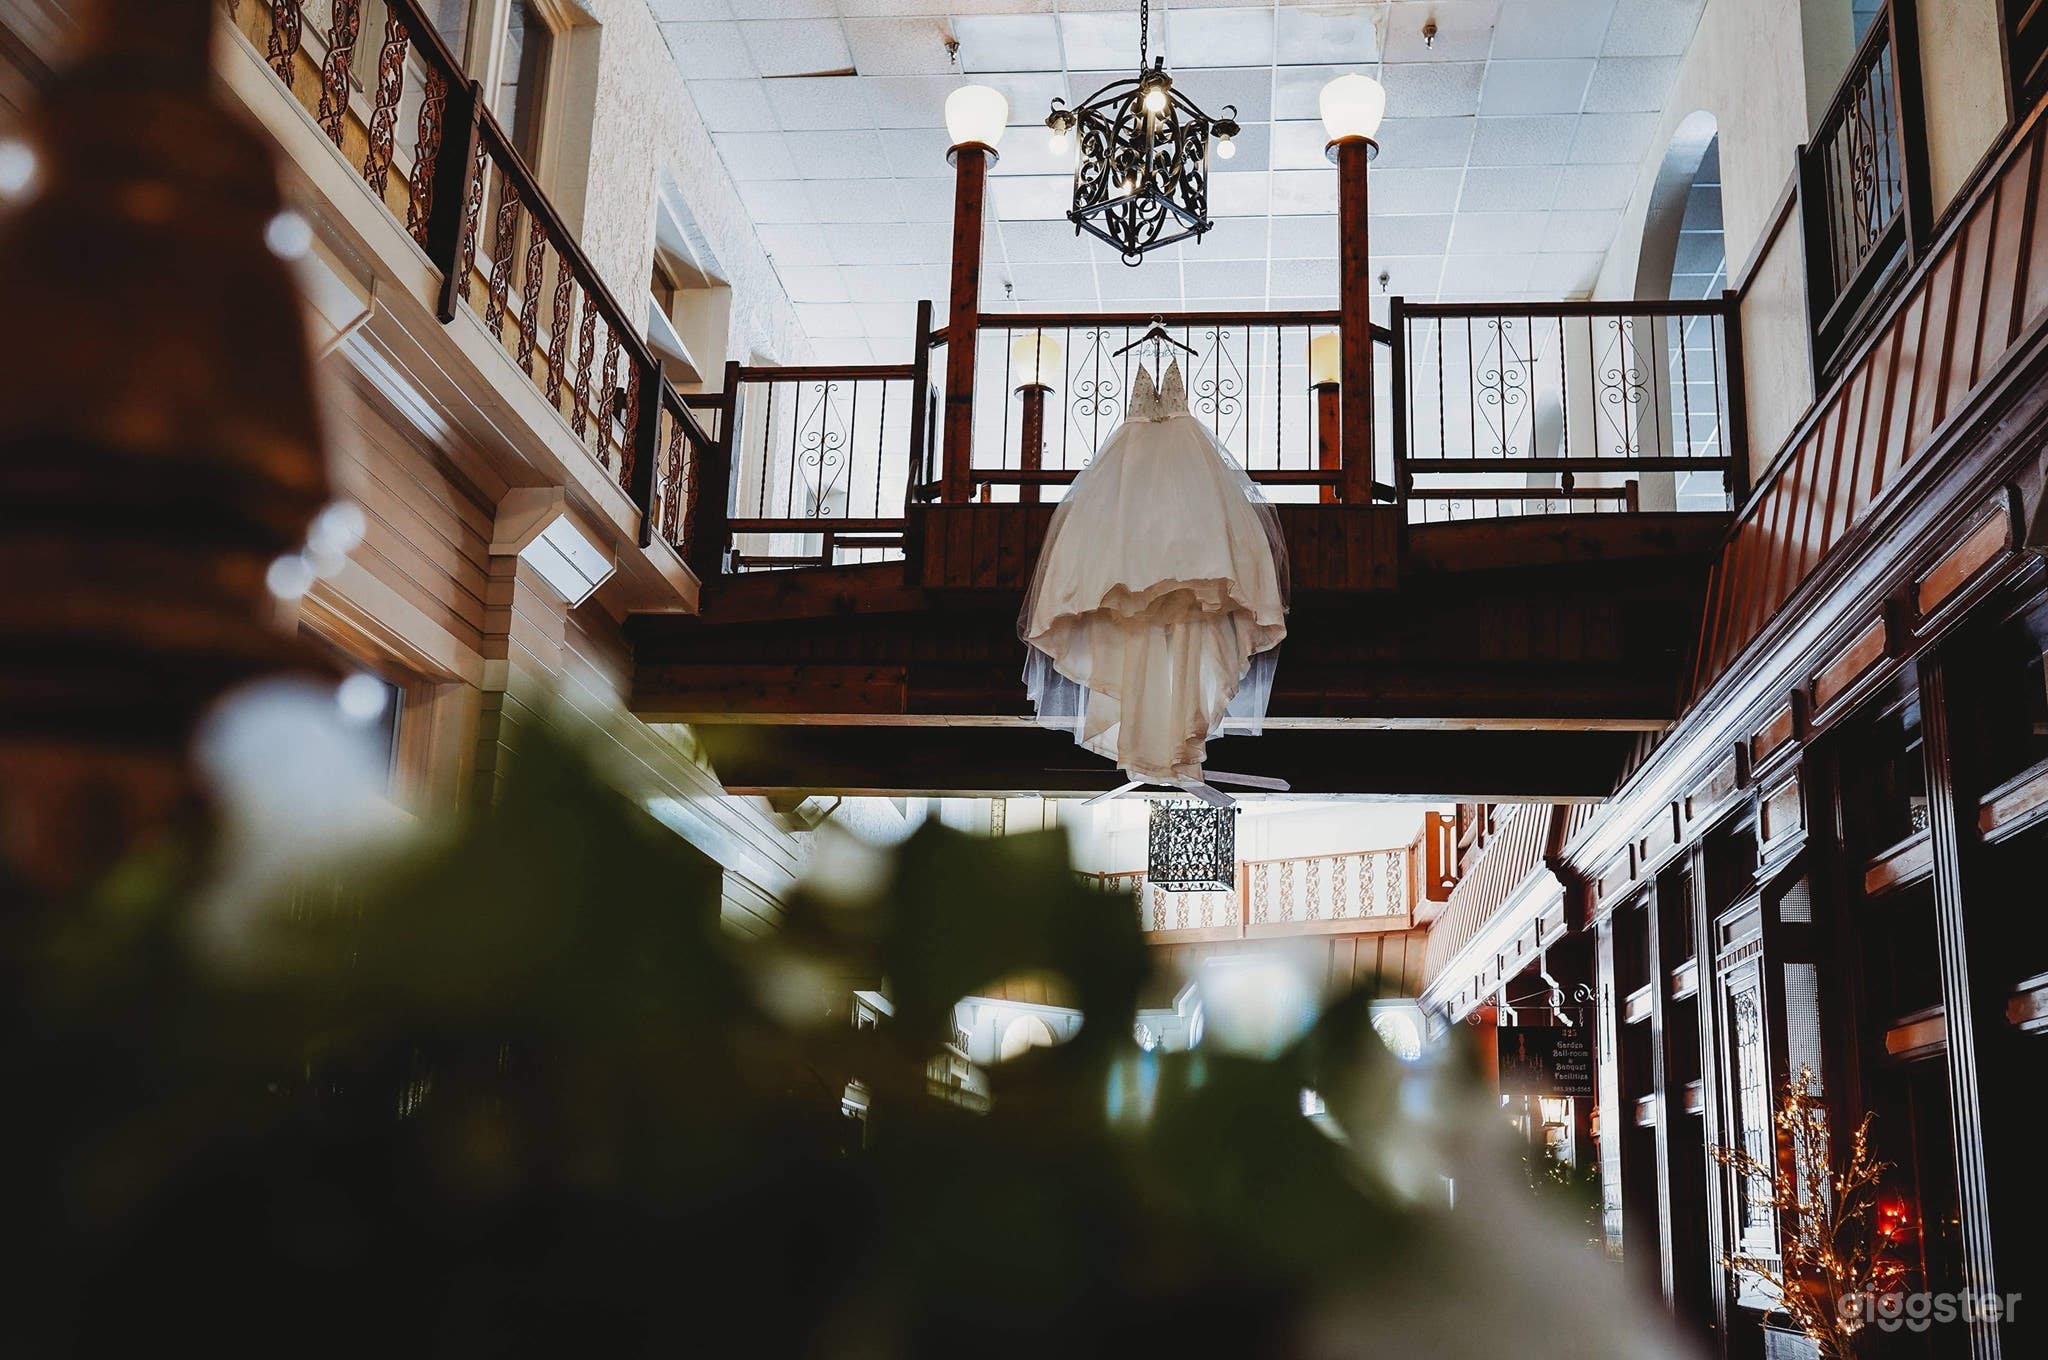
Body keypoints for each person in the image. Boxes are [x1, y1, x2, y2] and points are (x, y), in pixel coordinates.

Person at [1018, 357, 1288, 785]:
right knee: (1139, 608)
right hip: (1135, 488)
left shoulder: (1187, 437)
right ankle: (1161, 742)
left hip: (1174, 492)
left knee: (1186, 601)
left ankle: (1175, 738)